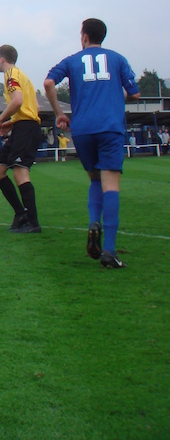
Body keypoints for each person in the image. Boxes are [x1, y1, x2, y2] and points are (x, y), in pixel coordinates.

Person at [44, 18, 140, 269]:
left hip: (83, 129)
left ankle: (93, 221)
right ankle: (109, 251)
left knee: (95, 180)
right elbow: (135, 93)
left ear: (84, 36)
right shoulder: (118, 59)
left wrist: (59, 113)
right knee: (111, 185)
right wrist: (116, 96)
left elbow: (48, 83)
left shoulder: (72, 60)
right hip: (110, 127)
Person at [0, 45, 43, 233]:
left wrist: (0, 119)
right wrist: (13, 122)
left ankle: (32, 223)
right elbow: (35, 106)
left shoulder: (10, 74)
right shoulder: (23, 76)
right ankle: (21, 214)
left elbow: (18, 101)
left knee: (20, 173)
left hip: (26, 129)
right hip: (23, 127)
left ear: (2, 58)